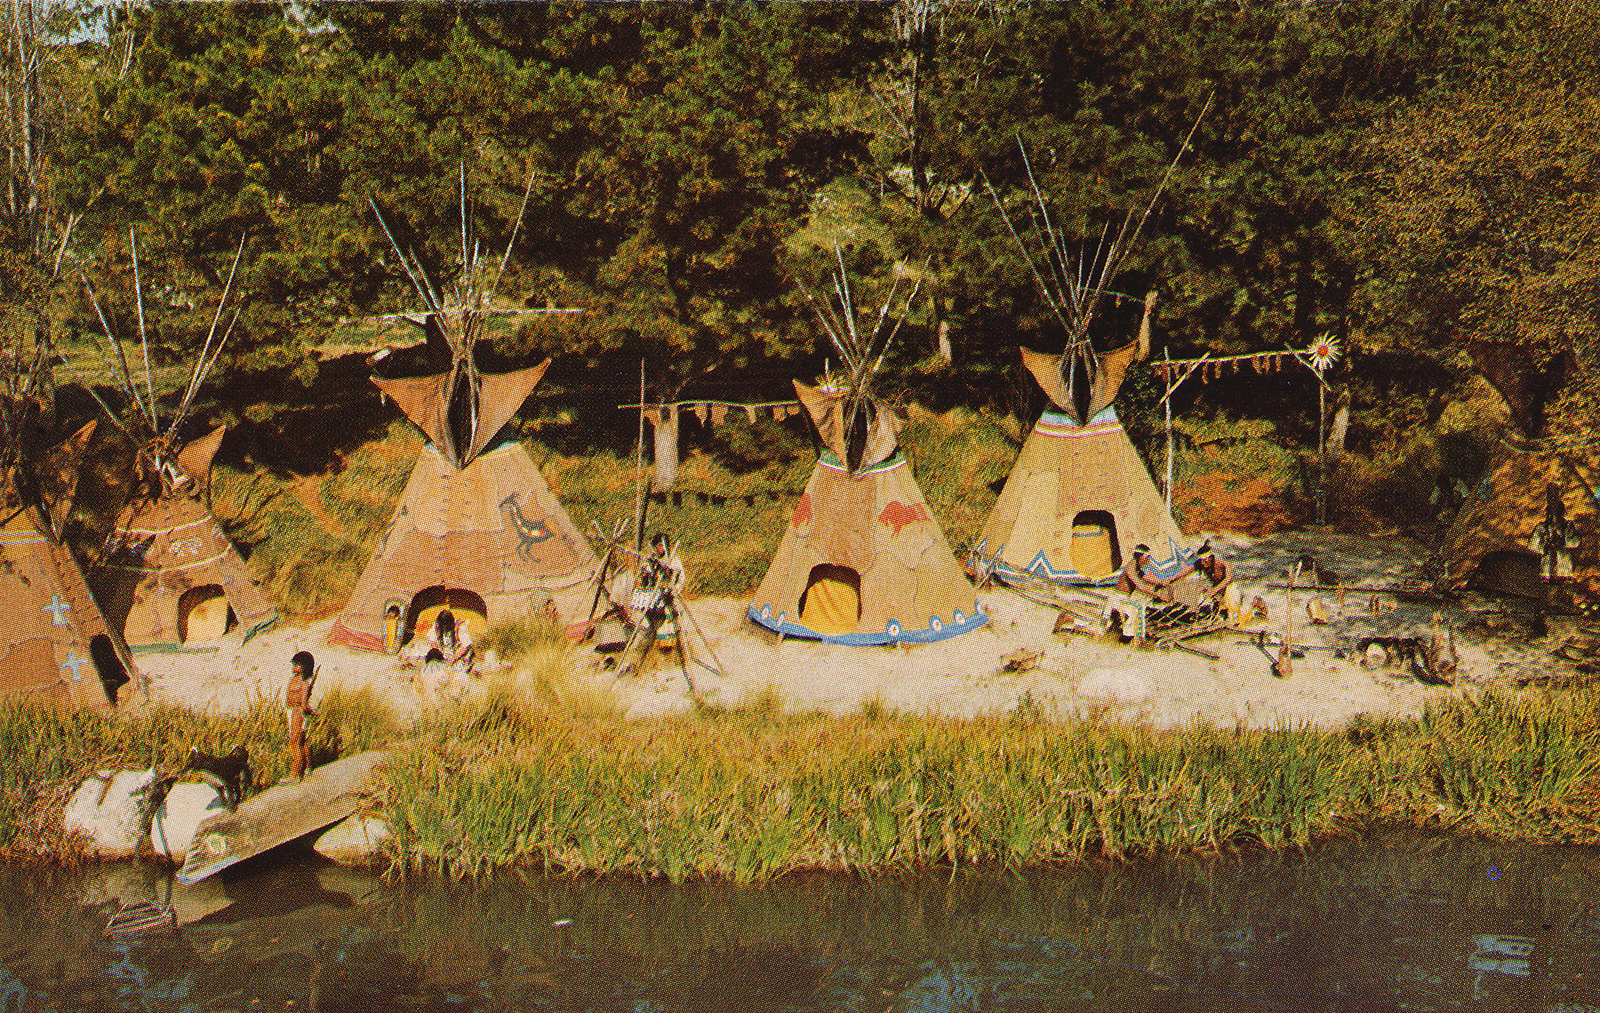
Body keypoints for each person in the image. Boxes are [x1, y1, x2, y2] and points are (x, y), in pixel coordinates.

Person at [1103, 544, 1171, 642]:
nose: (1148, 560)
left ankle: (1131, 636)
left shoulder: (1137, 567)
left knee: (1138, 606)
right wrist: (1158, 594)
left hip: (1123, 599)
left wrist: (1161, 583)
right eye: (1147, 558)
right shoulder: (1131, 568)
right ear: (1140, 557)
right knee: (1138, 607)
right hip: (1117, 599)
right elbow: (1141, 586)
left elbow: (1146, 579)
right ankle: (1133, 638)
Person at [1168, 541, 1241, 625]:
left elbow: (1228, 579)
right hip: (1216, 588)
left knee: (1232, 612)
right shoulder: (1200, 564)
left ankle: (1233, 621)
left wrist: (1214, 590)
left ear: (1210, 558)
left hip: (1229, 588)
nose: (1203, 563)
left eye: (1205, 560)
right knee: (1214, 609)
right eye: (1201, 561)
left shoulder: (1223, 564)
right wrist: (1172, 579)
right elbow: (1185, 572)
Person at [283, 651, 315, 783]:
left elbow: (303, 703)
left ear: (304, 667)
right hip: (292, 711)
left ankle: (295, 774)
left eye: (297, 665)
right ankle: (307, 767)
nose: (293, 667)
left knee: (295, 742)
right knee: (301, 741)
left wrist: (310, 711)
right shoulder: (294, 679)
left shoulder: (304, 682)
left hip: (298, 712)